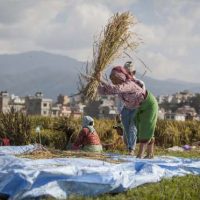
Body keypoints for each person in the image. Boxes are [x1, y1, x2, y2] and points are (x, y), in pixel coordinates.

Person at [98, 66, 158, 158]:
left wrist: (101, 80)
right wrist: (97, 81)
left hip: (148, 104)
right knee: (135, 129)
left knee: (145, 128)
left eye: (115, 78)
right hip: (135, 107)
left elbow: (116, 89)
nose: (113, 81)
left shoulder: (129, 84)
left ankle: (139, 154)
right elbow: (104, 91)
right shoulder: (120, 87)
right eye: (112, 79)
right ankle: (150, 154)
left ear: (121, 77)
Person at [116, 61, 146, 155]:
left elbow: (144, 97)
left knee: (133, 128)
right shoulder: (122, 84)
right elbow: (120, 99)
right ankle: (129, 147)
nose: (128, 74)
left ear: (134, 72)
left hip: (136, 109)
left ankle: (131, 149)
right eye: (125, 73)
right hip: (126, 109)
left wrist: (142, 111)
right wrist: (119, 112)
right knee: (126, 129)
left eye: (129, 72)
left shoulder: (139, 83)